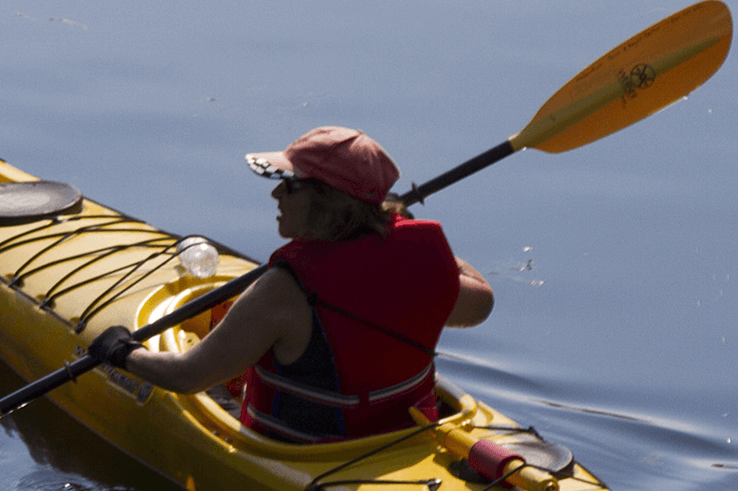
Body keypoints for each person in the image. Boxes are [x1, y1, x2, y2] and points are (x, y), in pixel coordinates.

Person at [87, 126, 494, 443]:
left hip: (303, 454)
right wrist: (404, 234)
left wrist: (120, 351)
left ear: (327, 201)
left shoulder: (284, 291)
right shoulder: (423, 272)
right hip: (400, 439)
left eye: (291, 184)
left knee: (207, 396)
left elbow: (187, 376)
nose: (276, 194)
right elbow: (481, 304)